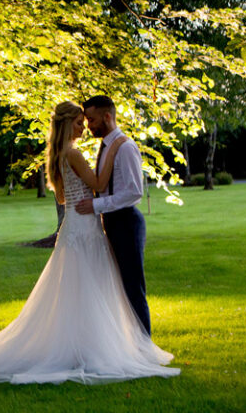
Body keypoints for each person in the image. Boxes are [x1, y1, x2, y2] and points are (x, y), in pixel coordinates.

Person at [0, 101, 179, 385]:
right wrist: (113, 149)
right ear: (67, 124)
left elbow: (64, 198)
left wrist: (96, 180)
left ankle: (91, 346)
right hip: (84, 228)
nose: (83, 127)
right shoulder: (76, 153)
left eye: (85, 121)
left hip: (76, 226)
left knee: (83, 290)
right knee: (92, 287)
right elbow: (100, 185)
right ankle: (98, 349)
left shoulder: (60, 155)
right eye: (79, 122)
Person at [75, 95, 151, 335]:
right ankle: (129, 342)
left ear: (107, 116)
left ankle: (144, 344)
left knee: (132, 286)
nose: (88, 125)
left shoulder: (125, 147)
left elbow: (134, 192)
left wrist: (96, 205)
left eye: (92, 119)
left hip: (126, 222)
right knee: (118, 286)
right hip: (113, 222)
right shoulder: (107, 145)